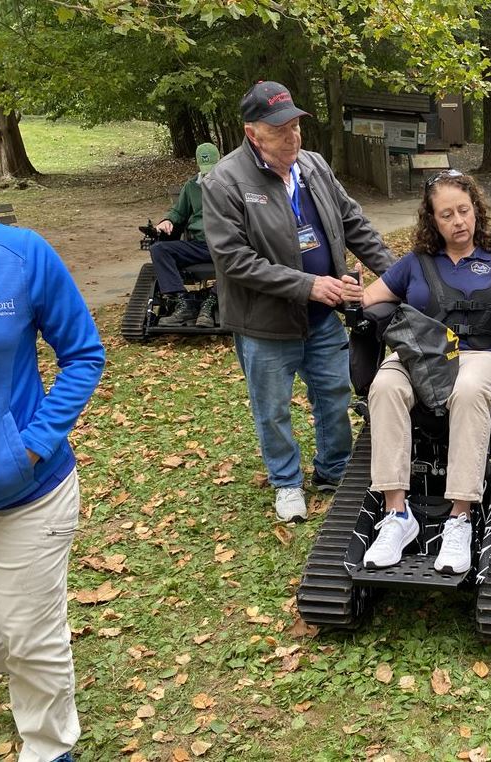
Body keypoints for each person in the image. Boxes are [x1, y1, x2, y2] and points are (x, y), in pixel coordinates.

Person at [340, 170, 491, 573]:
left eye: (464, 210)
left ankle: (459, 519)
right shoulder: (415, 263)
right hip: (425, 355)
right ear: (433, 220)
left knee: (468, 389)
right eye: (447, 215)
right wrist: (352, 294)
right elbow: (367, 298)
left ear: (476, 210)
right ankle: (397, 515)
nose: (458, 221)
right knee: (386, 384)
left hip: (487, 357)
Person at [202, 81, 395, 523]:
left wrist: (398, 275)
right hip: (265, 325)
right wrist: (306, 284)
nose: (292, 138)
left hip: (323, 316)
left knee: (334, 392)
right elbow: (233, 259)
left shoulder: (313, 165)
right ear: (252, 133)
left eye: (295, 126)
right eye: (279, 130)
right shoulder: (224, 181)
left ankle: (334, 470)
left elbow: (353, 222)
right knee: (272, 409)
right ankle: (287, 483)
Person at [0, 220, 106, 762]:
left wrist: (30, 446)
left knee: (31, 640)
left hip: (27, 495)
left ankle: (50, 749)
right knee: (11, 640)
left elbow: (83, 354)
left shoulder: (19, 255)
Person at [149, 142, 221, 327]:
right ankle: (183, 303)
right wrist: (167, 221)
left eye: (212, 169)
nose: (208, 174)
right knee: (159, 249)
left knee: (241, 255)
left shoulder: (233, 183)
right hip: (200, 245)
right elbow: (178, 213)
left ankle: (211, 302)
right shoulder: (191, 187)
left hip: (225, 243)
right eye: (205, 170)